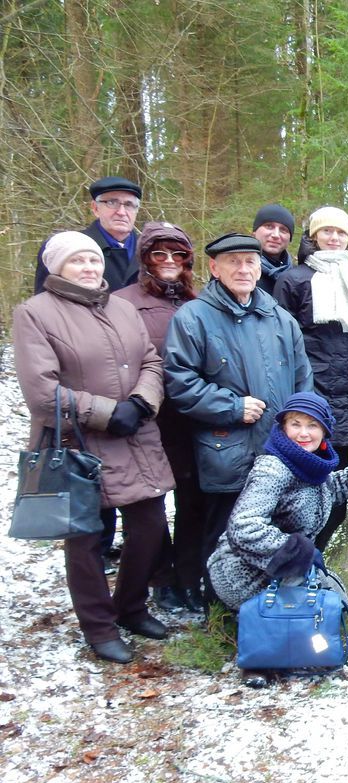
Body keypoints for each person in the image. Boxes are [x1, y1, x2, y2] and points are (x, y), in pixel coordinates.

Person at [14, 231, 175, 663]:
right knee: (85, 539)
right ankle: (99, 626)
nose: (89, 268)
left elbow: (150, 361)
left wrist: (142, 401)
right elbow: (41, 393)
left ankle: (130, 607)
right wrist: (106, 412)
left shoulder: (121, 307)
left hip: (135, 434)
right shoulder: (36, 313)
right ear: (57, 268)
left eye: (93, 260)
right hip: (76, 442)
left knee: (150, 526)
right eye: (77, 261)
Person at [164, 233, 313, 601]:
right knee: (224, 537)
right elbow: (179, 381)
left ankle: (264, 614)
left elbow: (302, 378)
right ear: (214, 267)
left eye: (250, 261)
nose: (244, 269)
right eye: (234, 261)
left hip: (277, 452)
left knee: (271, 532)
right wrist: (231, 406)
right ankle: (217, 613)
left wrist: (302, 423)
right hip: (226, 450)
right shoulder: (193, 317)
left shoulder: (280, 318)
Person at [207, 392, 348, 685]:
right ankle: (260, 658)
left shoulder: (309, 464)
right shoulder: (273, 468)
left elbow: (320, 493)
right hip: (243, 569)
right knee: (314, 600)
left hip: (280, 565)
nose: (303, 433)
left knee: (334, 596)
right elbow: (244, 526)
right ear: (282, 427)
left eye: (313, 425)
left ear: (324, 433)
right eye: (295, 424)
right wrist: (294, 550)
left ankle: (296, 648)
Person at [113, 222, 206, 614]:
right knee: (150, 507)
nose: (169, 262)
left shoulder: (197, 301)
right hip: (147, 418)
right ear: (145, 258)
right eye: (159, 254)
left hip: (193, 418)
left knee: (194, 502)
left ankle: (187, 576)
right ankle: (161, 577)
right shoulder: (121, 302)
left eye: (178, 254)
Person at [274, 207, 348, 464]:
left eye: (341, 232)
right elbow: (280, 343)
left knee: (344, 473)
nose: (334, 237)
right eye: (327, 231)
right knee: (310, 467)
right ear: (314, 236)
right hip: (312, 388)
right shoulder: (293, 279)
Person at [35, 176, 143, 294]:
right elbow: (44, 304)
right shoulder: (65, 248)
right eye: (112, 203)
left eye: (129, 205)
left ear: (136, 210)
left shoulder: (153, 251)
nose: (122, 212)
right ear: (95, 208)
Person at [251, 204, 295, 296]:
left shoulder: (296, 276)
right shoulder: (238, 270)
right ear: (254, 232)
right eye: (269, 226)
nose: (276, 235)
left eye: (283, 230)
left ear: (290, 238)